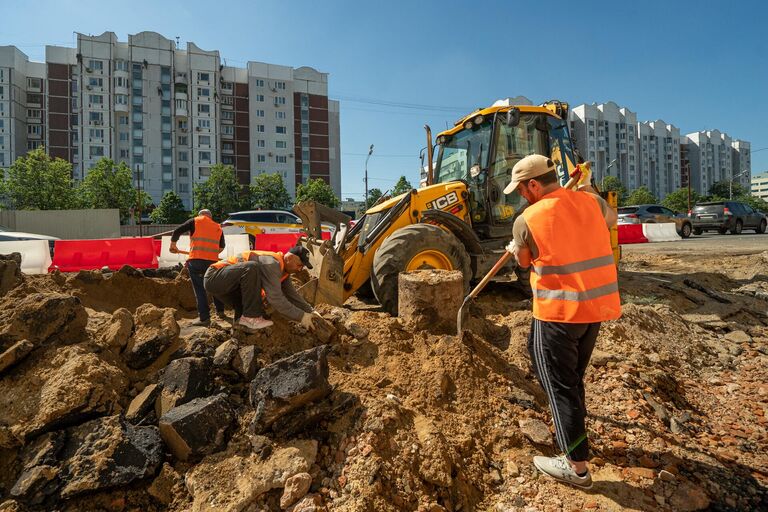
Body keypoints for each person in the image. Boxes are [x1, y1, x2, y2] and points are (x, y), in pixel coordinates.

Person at [503, 154, 621, 489]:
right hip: (592, 312)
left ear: (534, 184)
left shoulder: (527, 219)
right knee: (570, 379)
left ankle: (577, 467)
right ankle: (576, 433)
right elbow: (611, 219)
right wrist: (586, 188)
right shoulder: (590, 203)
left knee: (559, 385)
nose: (521, 195)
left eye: (522, 189)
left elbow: (525, 264)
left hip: (556, 315)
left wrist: (516, 249)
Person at [203, 246, 322, 332]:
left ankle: (241, 331)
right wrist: (301, 316)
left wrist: (310, 311)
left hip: (231, 288)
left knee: (258, 307)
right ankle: (250, 318)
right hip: (215, 277)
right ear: (289, 258)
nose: (300, 269)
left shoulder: (283, 272)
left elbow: (292, 295)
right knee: (252, 267)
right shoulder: (272, 263)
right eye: (299, 265)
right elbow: (276, 299)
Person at [170, 209, 227, 326]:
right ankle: (220, 312)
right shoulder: (217, 227)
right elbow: (221, 247)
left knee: (200, 290)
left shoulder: (195, 221)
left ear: (200, 215)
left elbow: (177, 231)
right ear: (210, 217)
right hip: (212, 262)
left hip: (195, 261)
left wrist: (173, 245)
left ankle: (204, 318)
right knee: (215, 286)